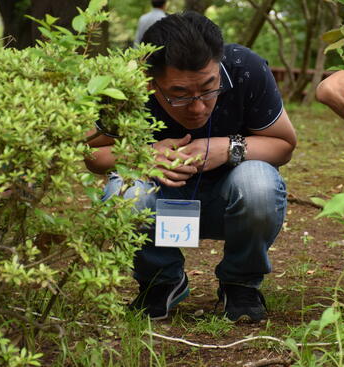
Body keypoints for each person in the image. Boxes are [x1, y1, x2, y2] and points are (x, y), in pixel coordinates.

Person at [85, 11, 297, 323]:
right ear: (150, 80)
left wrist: (228, 148)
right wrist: (143, 154)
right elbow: (92, 155)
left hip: (230, 201)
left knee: (260, 183)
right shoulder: (126, 87)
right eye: (179, 95)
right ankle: (161, 281)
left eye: (209, 88)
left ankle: (240, 283)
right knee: (123, 192)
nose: (198, 107)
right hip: (158, 201)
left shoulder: (244, 69)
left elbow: (284, 145)